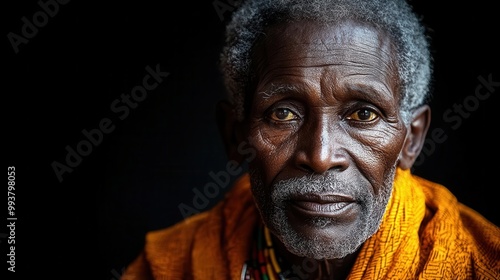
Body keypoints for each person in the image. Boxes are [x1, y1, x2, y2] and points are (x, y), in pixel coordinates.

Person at [121, 0, 500, 279]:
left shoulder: (482, 265)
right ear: (235, 135)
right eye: (282, 113)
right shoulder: (169, 267)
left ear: (411, 140)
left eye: (363, 114)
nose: (319, 156)